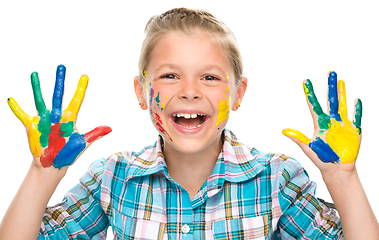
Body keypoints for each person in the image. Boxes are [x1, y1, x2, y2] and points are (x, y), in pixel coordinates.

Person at [0, 7, 378, 239]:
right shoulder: (113, 178)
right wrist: (41, 173)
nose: (190, 92)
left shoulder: (274, 178)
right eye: (169, 76)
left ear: (238, 92)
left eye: (210, 78)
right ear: (142, 91)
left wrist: (343, 180)